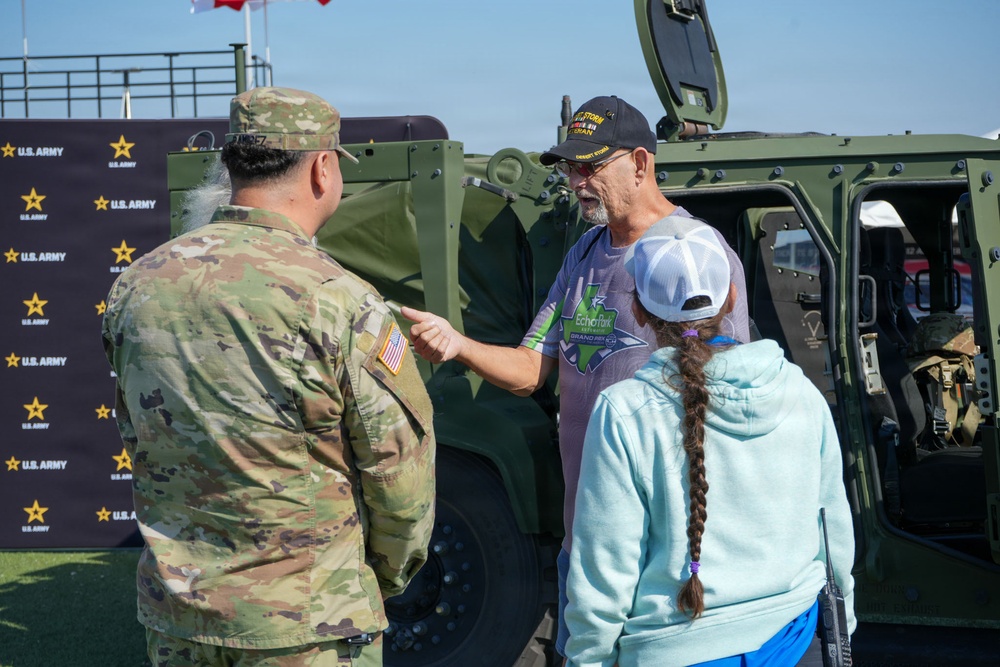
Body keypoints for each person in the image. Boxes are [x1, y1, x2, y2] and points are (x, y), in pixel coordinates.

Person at [401, 94, 751, 659]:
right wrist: (458, 345)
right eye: (570, 168)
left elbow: (727, 395)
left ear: (640, 163)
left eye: (590, 167)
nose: (576, 182)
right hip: (586, 535)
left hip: (663, 544)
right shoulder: (583, 255)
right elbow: (530, 371)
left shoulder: (695, 254)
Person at [102, 87, 436, 667]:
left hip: (180, 615)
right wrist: (373, 579)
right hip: (306, 625)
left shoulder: (137, 285)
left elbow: (138, 432)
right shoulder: (339, 299)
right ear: (323, 168)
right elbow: (398, 475)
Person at [564, 216, 855, 666]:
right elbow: (832, 531)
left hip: (677, 650)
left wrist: (588, 659)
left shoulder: (624, 412)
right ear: (732, 297)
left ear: (637, 310)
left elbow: (605, 568)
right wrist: (843, 627)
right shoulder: (801, 392)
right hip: (799, 640)